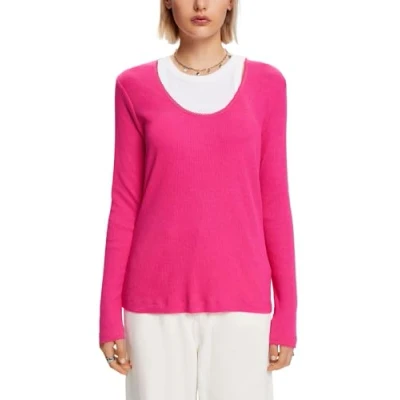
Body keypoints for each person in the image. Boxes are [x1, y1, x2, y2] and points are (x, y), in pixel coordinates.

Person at [98, 0, 298, 399]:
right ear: (168, 3)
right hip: (152, 305)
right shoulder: (133, 87)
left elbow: (275, 202)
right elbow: (124, 203)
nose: (200, 4)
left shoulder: (267, 84)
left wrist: (287, 314)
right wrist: (108, 316)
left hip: (242, 302)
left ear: (231, 3)